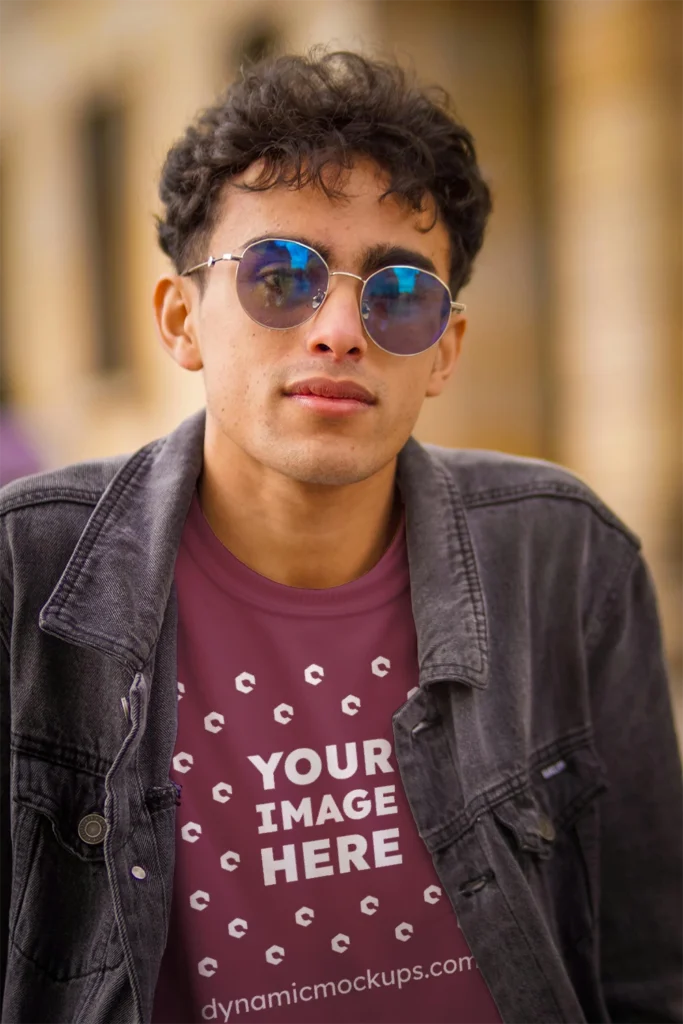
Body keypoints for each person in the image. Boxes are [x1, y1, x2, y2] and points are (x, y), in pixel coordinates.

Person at [0, 50, 681, 1024]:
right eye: (280, 276)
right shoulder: (26, 573)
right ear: (180, 318)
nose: (338, 328)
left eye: (398, 293)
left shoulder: (563, 557)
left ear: (442, 348)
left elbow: (646, 973)